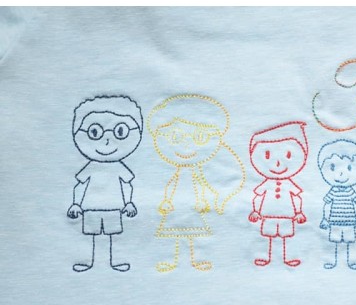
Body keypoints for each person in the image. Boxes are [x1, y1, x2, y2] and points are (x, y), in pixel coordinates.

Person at [148, 94, 245, 272]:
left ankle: (193, 260)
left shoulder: (198, 172)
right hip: (176, 208)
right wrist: (167, 201)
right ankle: (174, 261)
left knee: (191, 233)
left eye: (200, 137)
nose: (187, 145)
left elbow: (201, 186)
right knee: (177, 232)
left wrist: (202, 201)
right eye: (175, 137)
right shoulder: (182, 173)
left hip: (191, 207)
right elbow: (171, 186)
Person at [67, 95, 143, 272]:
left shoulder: (118, 167)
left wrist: (128, 203)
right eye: (94, 132)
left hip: (114, 208)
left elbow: (127, 185)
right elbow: (80, 185)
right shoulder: (91, 167)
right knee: (91, 234)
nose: (107, 140)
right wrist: (76, 204)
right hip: (91, 208)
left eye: (120, 132)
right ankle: (88, 262)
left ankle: (114, 262)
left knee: (112, 235)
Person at [248, 121, 308, 267]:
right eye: (267, 155)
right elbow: (258, 197)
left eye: (288, 155)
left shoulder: (289, 184)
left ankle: (286, 259)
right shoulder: (266, 184)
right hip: (268, 215)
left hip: (287, 215)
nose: (277, 164)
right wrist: (256, 211)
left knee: (285, 236)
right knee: (269, 235)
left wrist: (298, 212)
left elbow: (297, 197)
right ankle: (267, 258)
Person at [317, 139, 356, 270]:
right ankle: (333, 262)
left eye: (349, 168)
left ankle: (350, 262)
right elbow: (327, 205)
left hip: (350, 222)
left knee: (349, 242)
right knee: (335, 242)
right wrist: (325, 219)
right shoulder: (332, 192)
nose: (341, 173)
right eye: (332, 167)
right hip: (334, 222)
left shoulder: (351, 192)